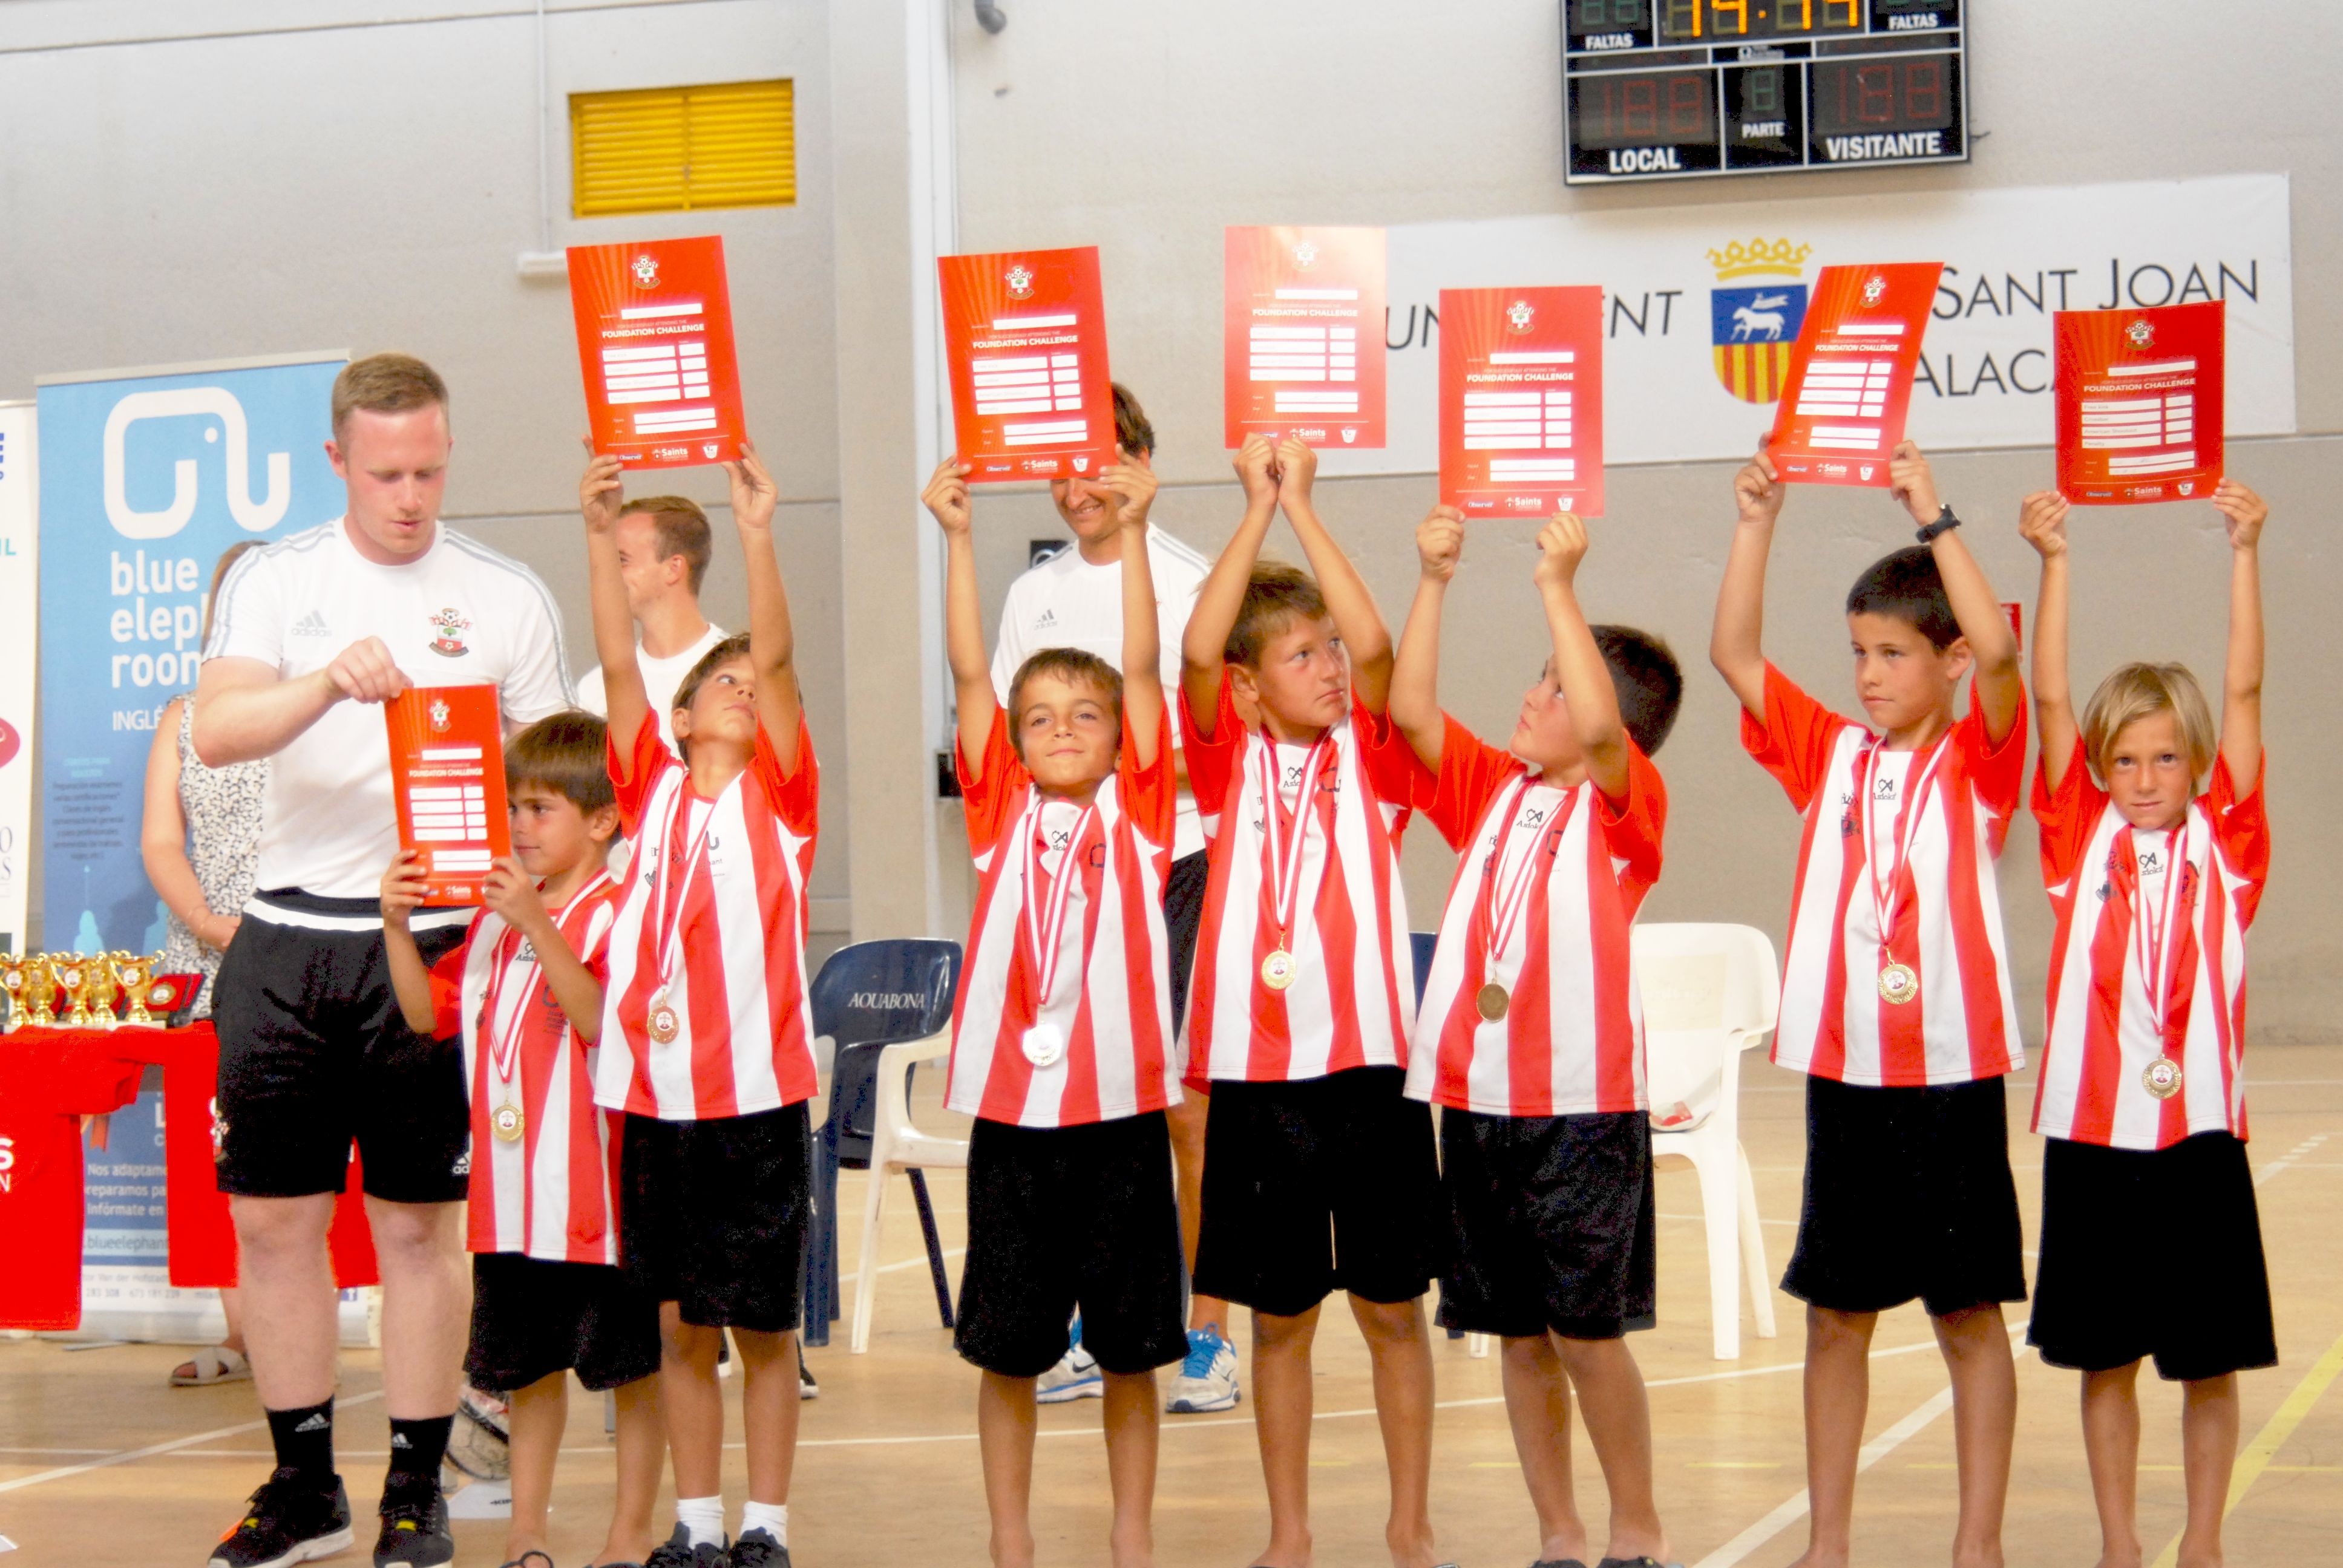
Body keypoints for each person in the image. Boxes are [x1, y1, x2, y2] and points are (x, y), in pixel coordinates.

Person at [194, 354, 573, 1568]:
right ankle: (304, 1485)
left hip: (440, 939)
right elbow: (216, 730)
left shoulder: (504, 595)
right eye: (386, 474)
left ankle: (416, 1487)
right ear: (338, 461)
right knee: (273, 1221)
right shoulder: (276, 579)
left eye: (429, 471)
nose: (410, 497)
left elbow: (555, 778)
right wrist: (324, 683)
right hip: (288, 933)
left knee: (418, 1229)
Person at [1709, 440, 2027, 1568]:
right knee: (1834, 1316)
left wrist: (1930, 511)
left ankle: (1977, 1543)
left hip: (1950, 1076)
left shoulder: (1984, 758)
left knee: (1966, 1316)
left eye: (1894, 653)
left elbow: (2002, 653)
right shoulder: (1828, 754)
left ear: (1949, 661)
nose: (1869, 676)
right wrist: (1756, 522)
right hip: (1848, 1080)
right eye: (1858, 653)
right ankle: (1828, 1543)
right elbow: (1734, 653)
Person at [1389, 508, 1681, 1568]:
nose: (1531, 695)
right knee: (1516, 1333)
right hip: (1477, 1105)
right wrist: (1433, 579)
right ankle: (1558, 1529)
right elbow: (1410, 709)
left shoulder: (1623, 804)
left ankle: (1635, 1523)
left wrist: (1559, 586)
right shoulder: (1491, 789)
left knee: (1584, 1335)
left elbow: (1599, 733)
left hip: (1580, 1110)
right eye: (1539, 677)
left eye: (1554, 685)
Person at [1180, 436, 1443, 1568]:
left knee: (1391, 1310)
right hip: (1258, 1077)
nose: (1331, 666)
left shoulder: (1373, 754)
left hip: (1371, 1072)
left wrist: (1306, 510)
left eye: (1327, 647)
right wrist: (1254, 509)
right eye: (1301, 654)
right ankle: (1288, 1532)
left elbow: (1379, 646)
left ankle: (1408, 1523)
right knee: (1280, 1319)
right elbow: (1198, 648)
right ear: (1249, 688)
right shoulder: (1220, 760)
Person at [925, 448, 1187, 1568]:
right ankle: (1011, 1538)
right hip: (1014, 1126)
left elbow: (1145, 665)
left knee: (1131, 1353)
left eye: (1087, 714)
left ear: (1122, 736)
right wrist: (954, 538)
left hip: (1119, 1118)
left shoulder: (1143, 813)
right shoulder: (998, 815)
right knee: (1008, 1351)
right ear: (1015, 744)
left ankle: (1132, 1536)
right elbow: (970, 678)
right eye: (1040, 719)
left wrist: (1132, 539)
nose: (1064, 729)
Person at [2017, 482, 2276, 1568]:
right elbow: (2048, 698)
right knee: (2105, 1361)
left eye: (2165, 757)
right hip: (2093, 1141)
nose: (2143, 778)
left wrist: (2243, 552)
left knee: (2208, 1365)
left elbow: (2244, 684)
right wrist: (2055, 561)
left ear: (2197, 761)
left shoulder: (2232, 839)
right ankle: (2119, 1543)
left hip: (2200, 1140)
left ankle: (2202, 1542)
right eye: (2123, 759)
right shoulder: (2074, 836)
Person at [582, 440, 816, 1568]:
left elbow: (777, 657)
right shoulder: (649, 786)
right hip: (655, 1100)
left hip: (755, 1100)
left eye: (749, 686)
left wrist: (757, 533)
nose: (740, 689)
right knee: (681, 1323)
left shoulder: (782, 797)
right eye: (718, 684)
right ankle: (698, 1520)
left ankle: (766, 1526)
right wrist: (599, 535)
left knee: (763, 1328)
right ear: (676, 719)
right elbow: (614, 658)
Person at [983, 385, 1237, 1415]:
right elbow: (1008, 736)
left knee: (1183, 1107)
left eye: (1093, 460)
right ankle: (1089, 1324)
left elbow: (1206, 737)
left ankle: (1209, 1328)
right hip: (1059, 881)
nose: (1074, 484)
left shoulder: (1188, 580)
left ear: (1139, 462)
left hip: (1172, 862)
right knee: (1078, 1105)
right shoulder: (1029, 594)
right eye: (1058, 465)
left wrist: (1128, 787)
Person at [381, 710, 667, 1568]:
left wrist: (539, 927)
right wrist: (394, 925)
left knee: (629, 1373)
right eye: (513, 809)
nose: (521, 827)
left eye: (542, 809)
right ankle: (526, 1533)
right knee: (528, 1374)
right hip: (511, 1200)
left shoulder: (621, 912)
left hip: (600, 1195)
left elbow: (599, 1022)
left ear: (603, 820)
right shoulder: (493, 921)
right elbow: (424, 1014)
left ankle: (629, 1533)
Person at [140, 540, 267, 1390]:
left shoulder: (322, 709)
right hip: (207, 955)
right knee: (217, 1150)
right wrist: (209, 925)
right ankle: (242, 1335)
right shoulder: (183, 718)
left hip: (306, 949)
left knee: (298, 1153)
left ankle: (294, 1326)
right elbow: (161, 841)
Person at [574, 494, 727, 755]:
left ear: (673, 568)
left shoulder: (739, 674)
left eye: (622, 561)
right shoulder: (594, 687)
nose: (609, 576)